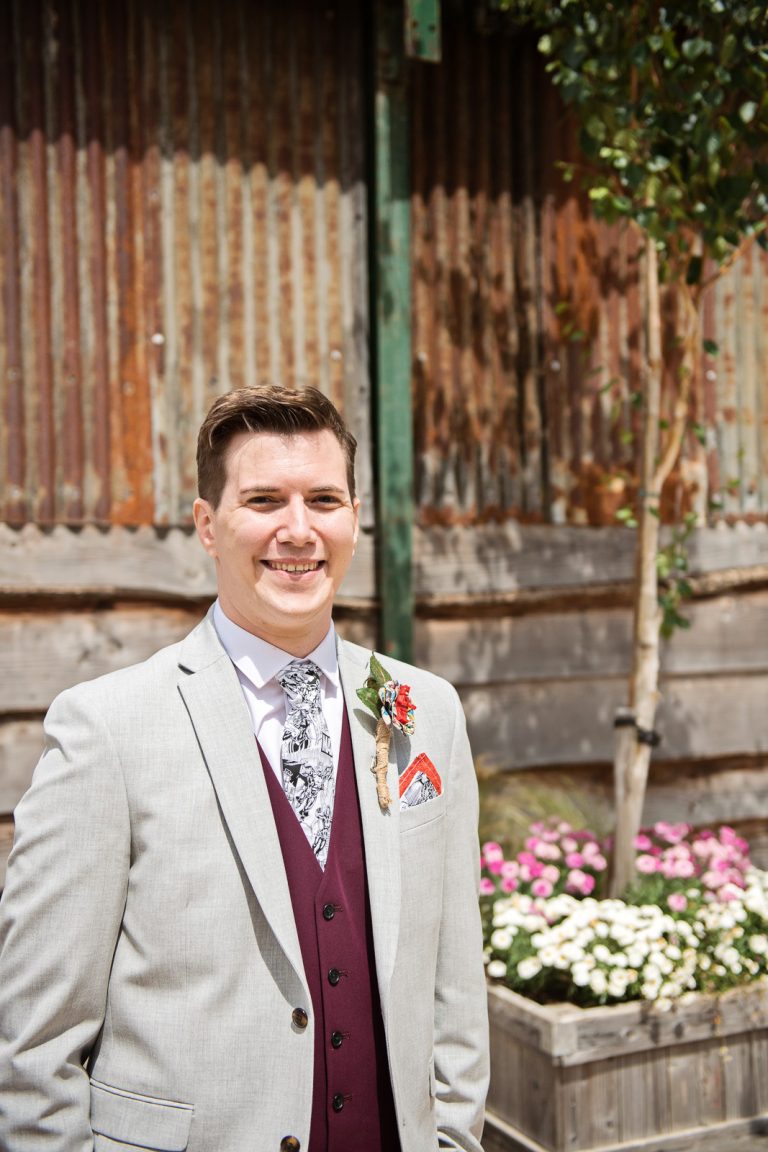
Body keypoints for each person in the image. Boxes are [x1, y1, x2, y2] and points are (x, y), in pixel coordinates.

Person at [0, 384, 489, 1152]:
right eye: (264, 500)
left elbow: (456, 980)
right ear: (207, 524)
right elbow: (34, 1045)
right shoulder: (107, 728)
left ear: (353, 519)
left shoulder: (423, 707)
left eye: (324, 499)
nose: (299, 530)